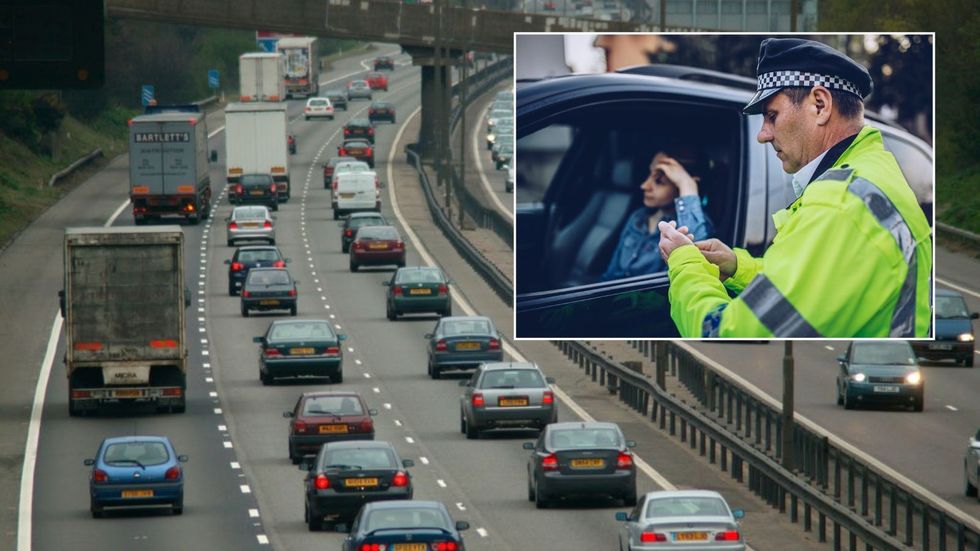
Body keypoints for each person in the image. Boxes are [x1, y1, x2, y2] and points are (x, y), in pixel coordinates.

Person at [658, 38, 932, 338]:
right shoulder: (871, 174)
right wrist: (738, 267)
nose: (762, 134)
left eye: (771, 115)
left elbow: (723, 332)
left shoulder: (838, 204)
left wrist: (684, 263)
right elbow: (822, 285)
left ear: (820, 105)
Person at [601, 152, 714, 281]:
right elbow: (611, 271)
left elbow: (695, 264)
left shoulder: (697, 225)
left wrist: (687, 185)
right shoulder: (638, 217)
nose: (644, 186)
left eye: (659, 181)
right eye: (649, 174)